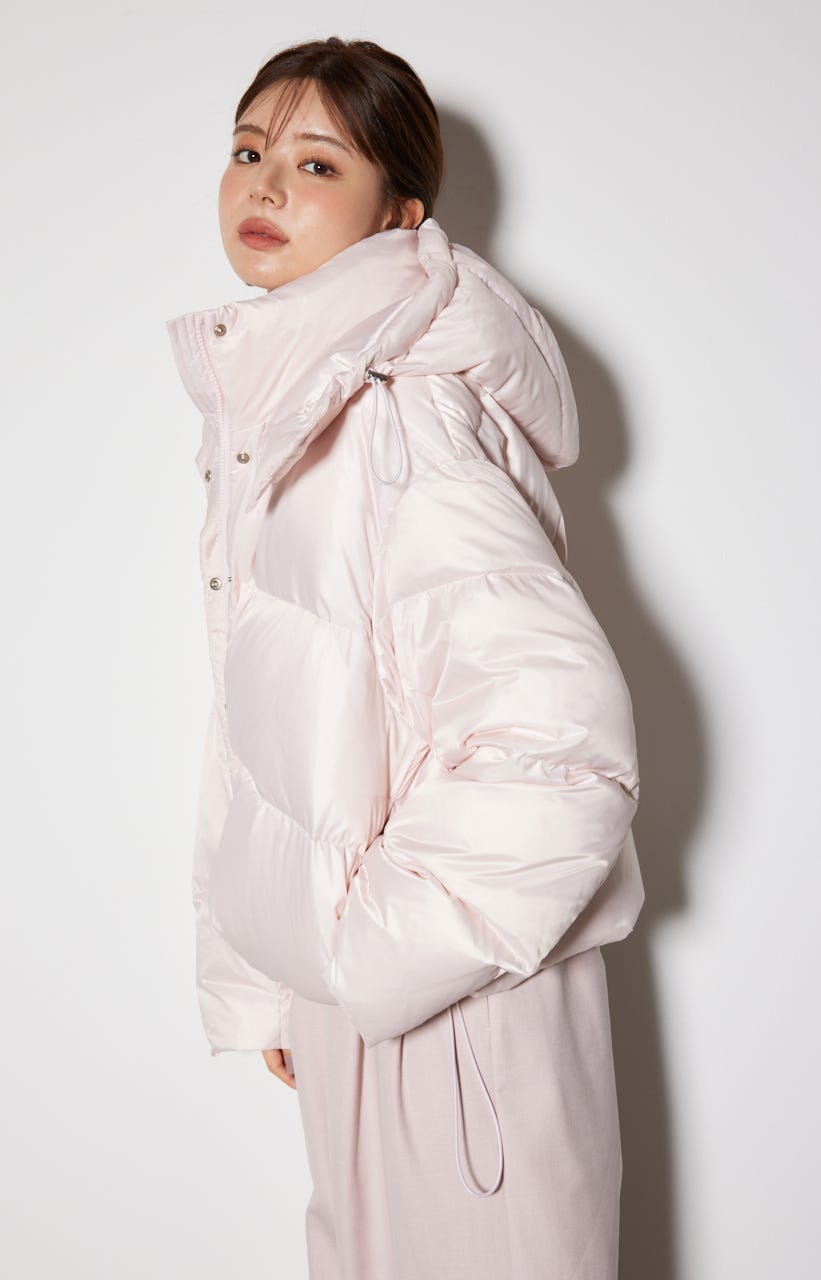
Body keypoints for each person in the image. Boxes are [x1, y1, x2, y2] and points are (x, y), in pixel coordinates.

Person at [165, 35, 644, 1280]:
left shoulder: (399, 411)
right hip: (372, 1002)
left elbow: (560, 744)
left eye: (318, 162)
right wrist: (275, 973)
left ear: (399, 215)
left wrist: (362, 959)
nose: (267, 183)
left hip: (453, 1007)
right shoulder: (285, 419)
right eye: (249, 150)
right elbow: (262, 721)